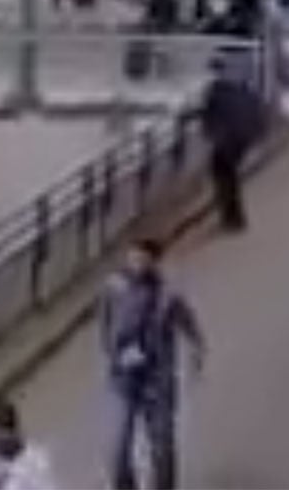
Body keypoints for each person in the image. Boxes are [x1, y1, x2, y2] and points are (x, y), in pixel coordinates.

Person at [99, 238, 205, 490]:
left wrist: (197, 349)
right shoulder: (113, 287)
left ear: (154, 262)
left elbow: (187, 322)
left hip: (158, 377)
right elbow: (105, 325)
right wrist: (112, 355)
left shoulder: (167, 294)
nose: (137, 264)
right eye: (133, 258)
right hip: (124, 377)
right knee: (118, 448)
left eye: (143, 260)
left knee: (162, 444)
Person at [198, 57, 264, 232]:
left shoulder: (216, 91)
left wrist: (210, 134)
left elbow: (209, 116)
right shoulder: (246, 89)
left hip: (227, 140)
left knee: (223, 177)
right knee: (230, 176)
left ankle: (231, 218)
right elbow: (256, 113)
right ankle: (235, 217)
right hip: (243, 138)